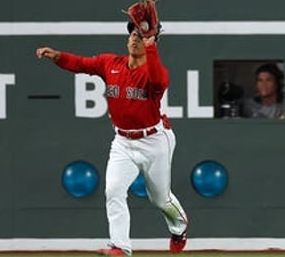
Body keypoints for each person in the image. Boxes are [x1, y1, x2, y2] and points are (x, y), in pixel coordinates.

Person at [35, 21, 189, 256]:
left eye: (141, 36)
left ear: (152, 41)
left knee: (160, 199)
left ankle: (179, 228)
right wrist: (56, 56)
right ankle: (120, 246)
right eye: (132, 35)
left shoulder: (153, 71)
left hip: (154, 140)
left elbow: (159, 80)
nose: (134, 39)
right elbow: (80, 64)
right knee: (113, 190)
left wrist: (151, 47)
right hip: (123, 142)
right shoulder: (110, 63)